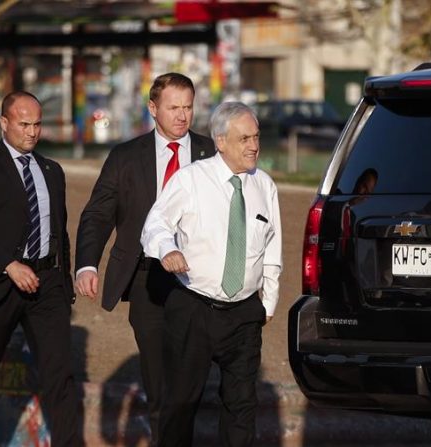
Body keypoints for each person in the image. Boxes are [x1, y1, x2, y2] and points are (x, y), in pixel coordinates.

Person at [74, 72, 215, 445]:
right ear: (153, 108)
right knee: (159, 382)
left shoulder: (211, 153)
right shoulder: (125, 157)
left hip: (196, 281)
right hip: (145, 280)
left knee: (188, 380)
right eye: (173, 108)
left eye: (188, 107)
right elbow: (98, 214)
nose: (182, 116)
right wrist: (87, 263)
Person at [142, 101, 282, 447]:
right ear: (220, 141)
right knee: (181, 403)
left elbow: (273, 247)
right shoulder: (191, 180)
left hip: (245, 313)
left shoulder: (264, 186)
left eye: (256, 137)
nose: (254, 146)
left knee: (242, 406)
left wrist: (269, 302)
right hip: (194, 309)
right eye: (244, 138)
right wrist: (167, 250)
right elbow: (154, 223)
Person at [0, 91, 79, 446]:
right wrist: (10, 265)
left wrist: (63, 284)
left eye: (37, 124)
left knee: (59, 375)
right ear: (4, 123)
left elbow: (59, 230)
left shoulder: (52, 170)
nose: (32, 132)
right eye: (24, 124)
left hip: (47, 285)